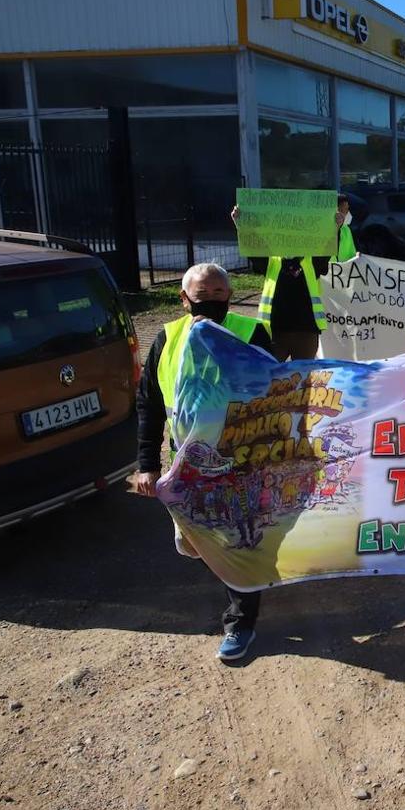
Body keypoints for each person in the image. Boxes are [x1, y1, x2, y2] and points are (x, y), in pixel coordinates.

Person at [133, 263, 275, 662]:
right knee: (196, 541)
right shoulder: (168, 339)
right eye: (202, 296)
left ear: (229, 297)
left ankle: (240, 623)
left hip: (242, 463)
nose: (211, 303)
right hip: (188, 464)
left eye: (218, 295)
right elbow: (148, 403)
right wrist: (148, 465)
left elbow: (283, 389)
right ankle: (206, 548)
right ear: (183, 299)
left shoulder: (251, 333)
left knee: (240, 544)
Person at [231, 194, 353, 361]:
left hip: (306, 331)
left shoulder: (313, 260)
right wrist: (242, 225)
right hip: (274, 331)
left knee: (302, 381)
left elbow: (327, 250)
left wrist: (335, 228)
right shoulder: (271, 260)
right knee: (274, 381)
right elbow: (255, 249)